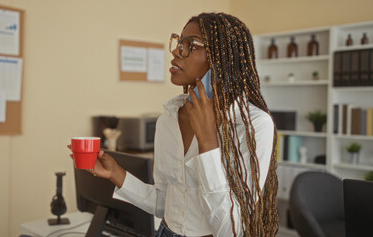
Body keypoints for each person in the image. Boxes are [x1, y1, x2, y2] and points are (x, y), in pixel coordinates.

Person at [69, 12, 279, 237]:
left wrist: (208, 141)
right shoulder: (168, 119)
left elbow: (231, 229)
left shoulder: (255, 125)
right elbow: (163, 204)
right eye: (179, 42)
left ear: (222, 59)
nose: (176, 51)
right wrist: (116, 174)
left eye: (191, 44)